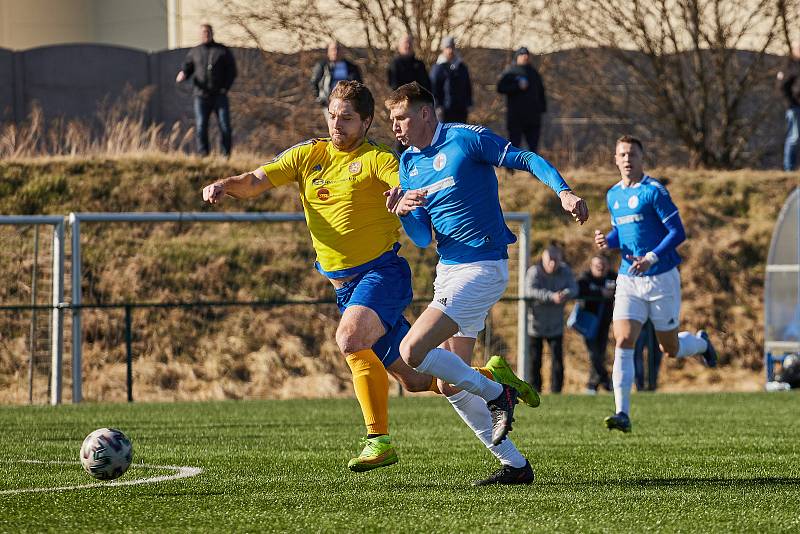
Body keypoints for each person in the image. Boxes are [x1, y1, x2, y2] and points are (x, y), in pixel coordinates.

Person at [200, 81, 525, 482]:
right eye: (332, 115)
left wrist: (404, 196)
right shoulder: (308, 154)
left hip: (382, 275)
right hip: (346, 288)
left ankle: (379, 440)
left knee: (351, 338)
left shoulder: (377, 158)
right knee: (423, 379)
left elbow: (404, 182)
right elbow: (255, 179)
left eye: (347, 118)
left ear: (366, 122)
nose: (337, 124)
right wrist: (223, 186)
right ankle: (492, 379)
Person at [384, 82, 589, 484]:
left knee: (412, 350)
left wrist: (563, 191)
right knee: (448, 383)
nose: (395, 127)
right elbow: (423, 237)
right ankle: (515, 465)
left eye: (401, 118)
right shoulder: (408, 163)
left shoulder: (466, 139)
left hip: (483, 268)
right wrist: (403, 209)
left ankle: (498, 392)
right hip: (449, 269)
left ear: (425, 114)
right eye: (392, 120)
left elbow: (526, 157)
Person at [594, 135, 718, 433]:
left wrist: (651, 256)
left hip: (662, 277)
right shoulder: (613, 195)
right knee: (623, 340)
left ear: (641, 158)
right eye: (622, 154)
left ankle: (700, 342)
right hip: (629, 278)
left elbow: (678, 232)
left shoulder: (654, 191)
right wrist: (606, 241)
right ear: (615, 158)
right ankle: (622, 412)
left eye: (632, 154)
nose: (627, 159)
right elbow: (621, 233)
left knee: (670, 348)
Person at [176, 24, 237, 157]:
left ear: (212, 33)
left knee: (225, 126)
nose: (206, 34)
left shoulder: (222, 51)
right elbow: (188, 67)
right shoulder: (195, 52)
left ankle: (225, 155)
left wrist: (224, 89)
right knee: (201, 126)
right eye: (203, 32)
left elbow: (232, 72)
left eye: (208, 32)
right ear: (199, 34)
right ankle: (203, 155)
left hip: (219, 96)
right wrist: (183, 74)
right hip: (201, 96)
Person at [525, 242, 577, 394]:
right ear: (543, 258)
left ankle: (556, 391)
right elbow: (529, 290)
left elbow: (574, 288)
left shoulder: (565, 270)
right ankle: (535, 391)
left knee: (557, 361)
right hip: (535, 324)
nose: (553, 263)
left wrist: (565, 294)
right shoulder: (534, 271)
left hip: (556, 324)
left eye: (556, 259)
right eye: (550, 259)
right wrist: (551, 296)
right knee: (535, 361)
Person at [576, 254, 616, 394]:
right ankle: (605, 382)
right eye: (597, 265)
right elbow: (580, 288)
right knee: (594, 354)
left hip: (605, 322)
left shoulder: (613, 277)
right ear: (591, 266)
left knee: (601, 353)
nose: (600, 267)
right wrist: (600, 292)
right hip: (589, 323)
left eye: (603, 265)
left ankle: (592, 385)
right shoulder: (586, 278)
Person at [496, 46, 547, 152]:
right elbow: (500, 87)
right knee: (513, 145)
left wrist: (541, 108)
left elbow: (541, 91)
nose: (525, 57)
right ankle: (509, 168)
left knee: (533, 147)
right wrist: (516, 86)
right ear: (517, 57)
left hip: (533, 117)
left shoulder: (534, 73)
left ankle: (532, 168)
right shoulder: (510, 71)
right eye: (522, 55)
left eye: (527, 55)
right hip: (516, 116)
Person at [387, 35, 432, 153]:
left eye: (410, 44)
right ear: (399, 46)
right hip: (401, 107)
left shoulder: (419, 65)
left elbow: (426, 86)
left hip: (417, 106)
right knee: (401, 135)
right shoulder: (395, 64)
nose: (407, 46)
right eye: (405, 43)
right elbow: (393, 87)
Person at [311, 41, 362, 117]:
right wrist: (320, 99)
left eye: (338, 49)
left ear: (343, 51)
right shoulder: (322, 66)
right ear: (328, 52)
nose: (336, 52)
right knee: (333, 124)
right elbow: (314, 83)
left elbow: (359, 84)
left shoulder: (352, 67)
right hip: (329, 102)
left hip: (348, 103)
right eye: (333, 49)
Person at [429, 36, 472, 123]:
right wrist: (437, 106)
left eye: (452, 47)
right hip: (445, 111)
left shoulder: (462, 67)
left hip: (461, 111)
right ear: (443, 49)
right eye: (448, 47)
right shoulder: (438, 68)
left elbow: (467, 86)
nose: (450, 50)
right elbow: (433, 89)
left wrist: (468, 104)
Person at [777, 41, 800, 171]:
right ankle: (789, 168)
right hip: (795, 108)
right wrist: (791, 104)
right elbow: (782, 87)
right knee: (794, 138)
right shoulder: (790, 67)